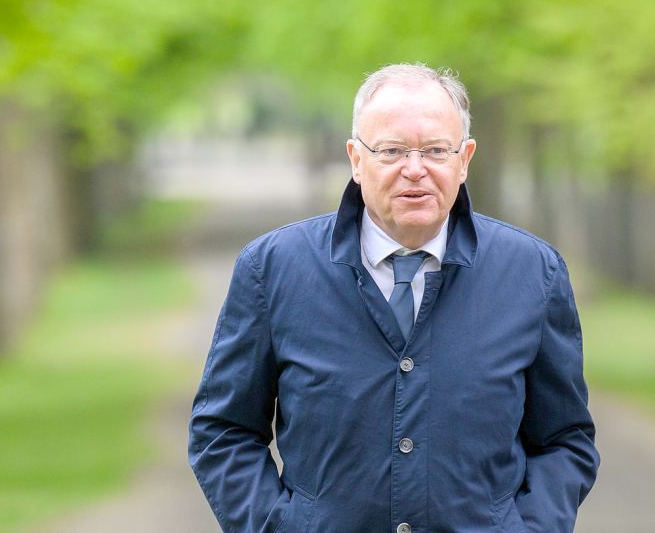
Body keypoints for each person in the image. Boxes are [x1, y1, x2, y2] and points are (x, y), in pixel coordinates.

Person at [187, 63, 599, 533]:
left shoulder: (533, 273)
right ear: (356, 160)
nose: (415, 169)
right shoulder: (273, 269)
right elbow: (223, 431)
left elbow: (565, 439)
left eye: (435, 150)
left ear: (464, 159)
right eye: (392, 150)